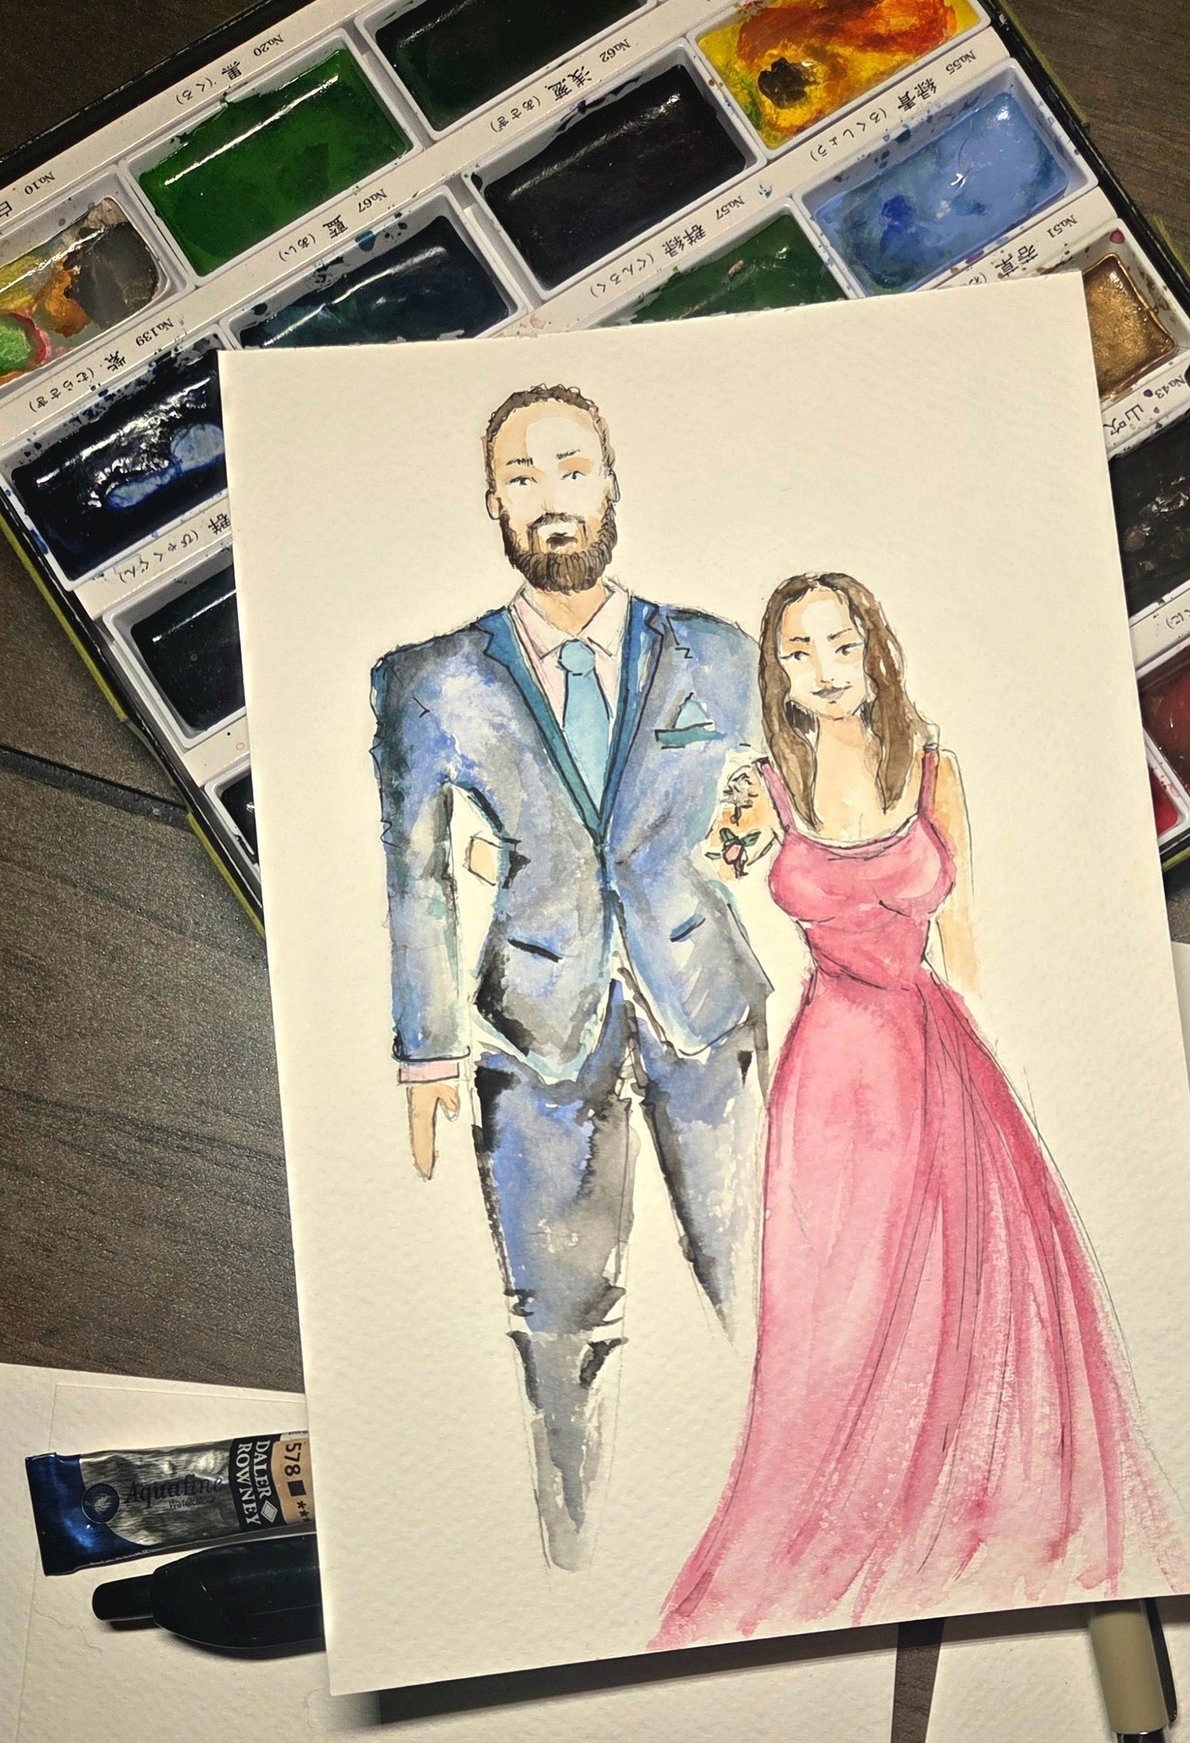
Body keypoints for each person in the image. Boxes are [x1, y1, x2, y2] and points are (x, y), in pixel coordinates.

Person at [653, 572, 1179, 1644]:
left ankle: (960, 1506)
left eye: (840, 643)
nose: (823, 668)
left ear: (873, 650)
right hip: (832, 1075)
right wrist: (723, 824)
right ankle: (836, 1514)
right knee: (838, 1303)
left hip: (933, 1051)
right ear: (776, 672)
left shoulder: (934, 769)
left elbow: (965, 934)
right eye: (798, 651)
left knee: (969, 1286)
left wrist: (1000, 1060)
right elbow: (705, 871)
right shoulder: (767, 785)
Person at [369, 385, 769, 1571]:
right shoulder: (429, 679)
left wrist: (758, 827)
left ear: (612, 483)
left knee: (758, 1280)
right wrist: (426, 1054)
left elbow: (775, 797)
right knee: (558, 1323)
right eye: (523, 477)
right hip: (533, 1030)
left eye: (572, 468)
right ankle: (571, 1554)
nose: (552, 498)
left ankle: (789, 1524)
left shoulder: (719, 652)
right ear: (491, 504)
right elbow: (415, 874)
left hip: (706, 1006)